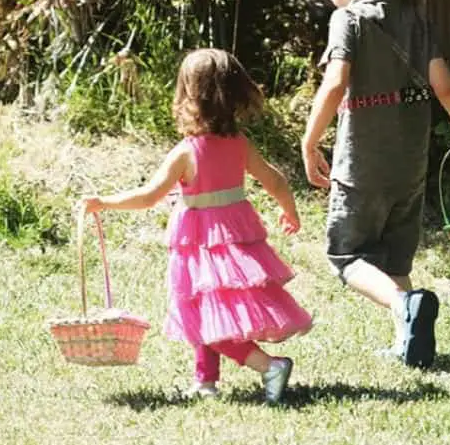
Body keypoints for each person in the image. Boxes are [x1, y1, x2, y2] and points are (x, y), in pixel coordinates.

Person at [82, 48, 312, 403]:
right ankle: (205, 381)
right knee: (208, 310)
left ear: (188, 95)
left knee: (201, 315)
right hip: (236, 238)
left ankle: (269, 365)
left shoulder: (186, 152)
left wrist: (104, 202)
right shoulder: (239, 144)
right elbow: (276, 180)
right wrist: (289, 210)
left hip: (202, 241)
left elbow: (148, 196)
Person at [301, 0, 450, 369]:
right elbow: (444, 85)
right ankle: (409, 342)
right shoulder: (413, 18)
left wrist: (310, 142)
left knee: (346, 255)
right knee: (395, 254)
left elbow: (335, 83)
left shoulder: (348, 19)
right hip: (410, 162)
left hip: (362, 162)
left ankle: (405, 305)